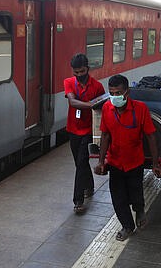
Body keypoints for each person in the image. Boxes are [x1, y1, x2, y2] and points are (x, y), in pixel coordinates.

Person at [94, 74, 161, 241]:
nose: (115, 97)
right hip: (115, 161)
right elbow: (105, 135)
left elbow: (151, 136)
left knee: (135, 192)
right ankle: (127, 226)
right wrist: (101, 161)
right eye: (112, 93)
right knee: (118, 198)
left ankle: (139, 210)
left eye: (118, 93)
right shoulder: (106, 109)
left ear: (127, 92)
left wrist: (155, 163)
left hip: (135, 161)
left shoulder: (140, 109)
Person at [64, 53, 105, 214]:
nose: (79, 75)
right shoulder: (69, 82)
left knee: (81, 162)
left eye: (82, 72)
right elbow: (72, 102)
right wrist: (92, 104)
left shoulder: (97, 86)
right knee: (79, 163)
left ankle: (78, 201)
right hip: (73, 129)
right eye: (76, 72)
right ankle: (89, 185)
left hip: (89, 130)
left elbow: (101, 107)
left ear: (87, 69)